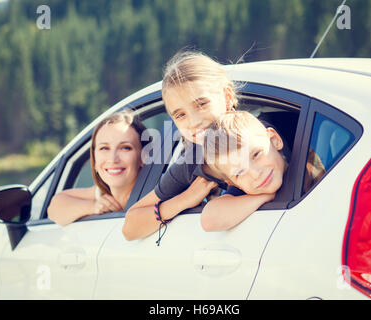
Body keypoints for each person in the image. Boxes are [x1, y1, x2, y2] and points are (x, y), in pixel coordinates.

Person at [123, 50, 239, 241]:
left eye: (201, 104)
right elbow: (130, 227)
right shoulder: (192, 162)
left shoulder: (260, 143)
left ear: (226, 98)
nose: (193, 121)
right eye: (180, 115)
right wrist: (185, 199)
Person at [47, 111, 146, 226]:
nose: (113, 159)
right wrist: (93, 207)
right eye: (104, 148)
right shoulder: (103, 194)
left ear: (144, 156)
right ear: (94, 159)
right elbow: (54, 208)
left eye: (125, 148)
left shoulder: (156, 193)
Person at [200, 110, 289, 231]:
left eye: (256, 154)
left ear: (274, 140)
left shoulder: (310, 165)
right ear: (233, 184)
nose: (256, 174)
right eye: (239, 172)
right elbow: (209, 220)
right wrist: (266, 196)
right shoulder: (246, 193)